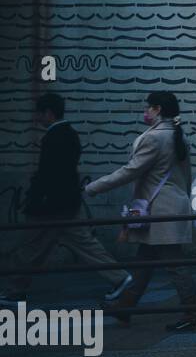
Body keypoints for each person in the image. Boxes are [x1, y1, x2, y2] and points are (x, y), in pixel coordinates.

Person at [86, 92, 196, 331]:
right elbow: (186, 176)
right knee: (144, 260)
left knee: (174, 263)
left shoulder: (155, 138)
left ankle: (193, 314)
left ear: (158, 109)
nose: (146, 112)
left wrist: (95, 186)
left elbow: (131, 170)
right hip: (171, 206)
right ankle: (125, 307)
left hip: (159, 209)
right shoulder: (180, 136)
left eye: (149, 108)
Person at [2, 92, 132, 307]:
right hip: (67, 203)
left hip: (50, 207)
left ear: (49, 113)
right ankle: (119, 277)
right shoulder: (70, 134)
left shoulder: (53, 137)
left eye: (40, 114)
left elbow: (46, 175)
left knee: (31, 247)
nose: (37, 119)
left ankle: (16, 290)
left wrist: (33, 201)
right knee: (85, 245)